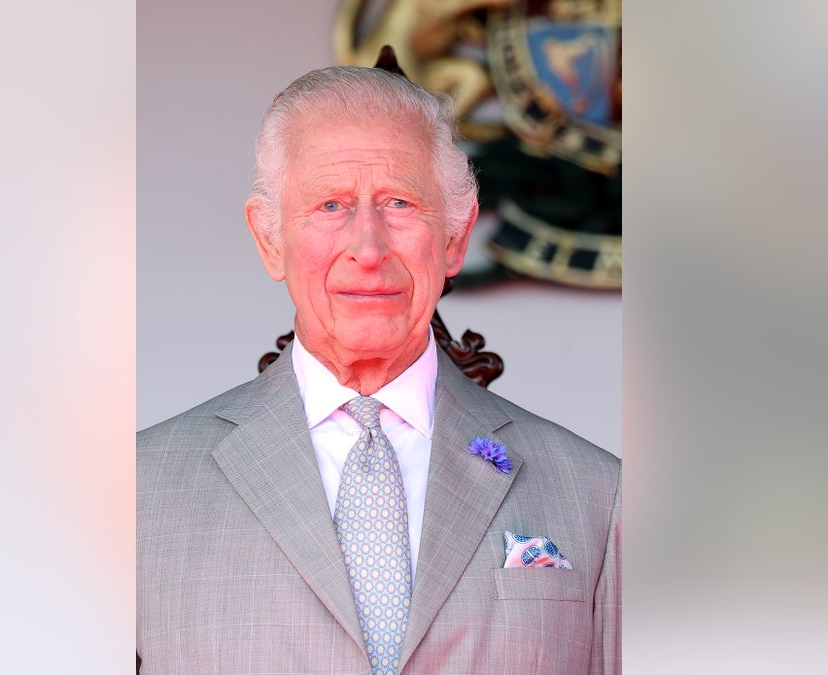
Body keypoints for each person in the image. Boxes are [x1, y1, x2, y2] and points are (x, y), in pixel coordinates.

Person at [137, 59, 621, 674]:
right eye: (331, 204)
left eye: (400, 202)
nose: (368, 248)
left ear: (454, 235)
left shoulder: (596, 495)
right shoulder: (137, 493)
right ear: (269, 238)